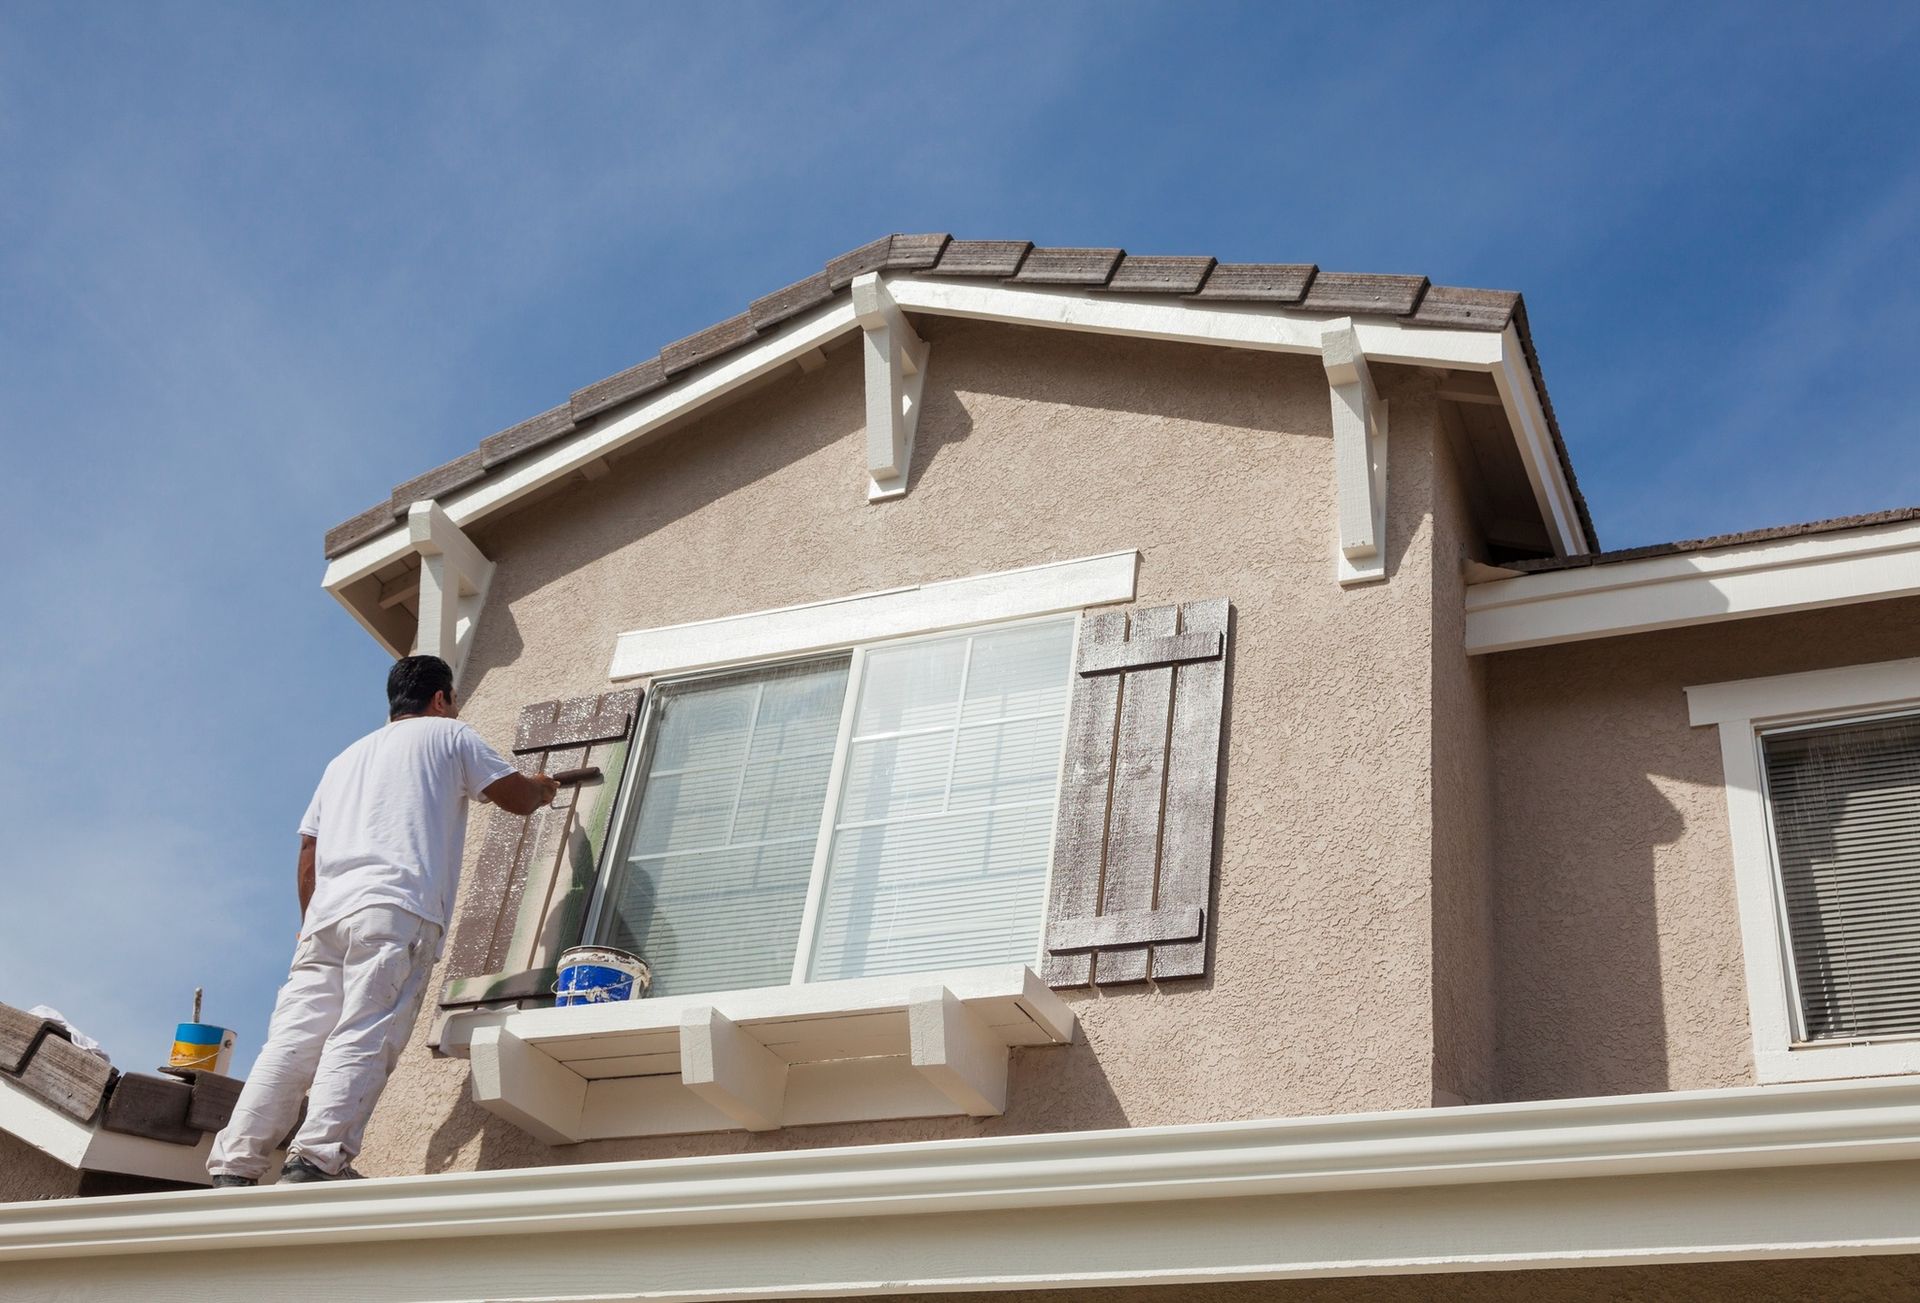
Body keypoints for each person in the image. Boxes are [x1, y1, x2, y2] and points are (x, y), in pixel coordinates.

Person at [208, 655, 558, 1185]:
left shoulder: (343, 760)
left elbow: (308, 851)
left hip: (326, 918)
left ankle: (234, 1166)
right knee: (365, 1028)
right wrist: (544, 787)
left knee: (292, 1042)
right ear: (440, 698)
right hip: (394, 908)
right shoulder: (450, 734)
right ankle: (317, 1161)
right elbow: (515, 798)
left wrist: (310, 925)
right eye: (453, 698)